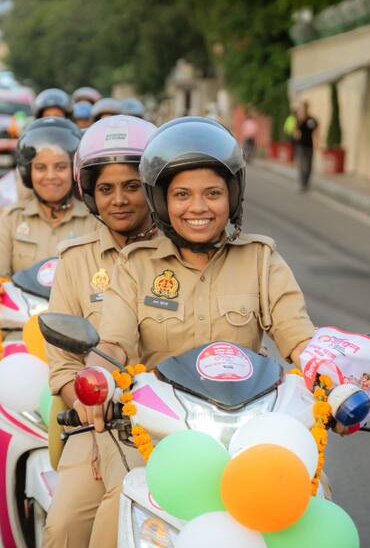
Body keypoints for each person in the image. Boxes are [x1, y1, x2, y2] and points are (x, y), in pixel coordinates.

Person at [83, 117, 317, 548]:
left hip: (251, 435)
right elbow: (113, 342)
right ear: (162, 202)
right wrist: (94, 378)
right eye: (182, 195)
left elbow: (298, 337)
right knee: (115, 513)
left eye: (213, 193)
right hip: (158, 437)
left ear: (233, 197)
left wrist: (330, 377)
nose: (198, 208)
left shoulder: (262, 260)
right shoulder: (135, 267)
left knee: (309, 502)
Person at [0, 117, 98, 494]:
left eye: (61, 167)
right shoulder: (12, 221)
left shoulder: (96, 221)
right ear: (27, 173)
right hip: (19, 330)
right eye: (41, 168)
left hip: (78, 334)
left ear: (75, 171)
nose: (51, 176)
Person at [41, 115, 159, 547]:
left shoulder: (179, 252)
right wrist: (91, 406)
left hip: (178, 426)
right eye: (106, 189)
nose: (119, 200)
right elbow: (62, 368)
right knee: (64, 528)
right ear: (89, 193)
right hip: (100, 425)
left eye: (131, 186)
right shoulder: (76, 260)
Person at [296, 102, 318, 191]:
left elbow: (316, 130)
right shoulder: (299, 120)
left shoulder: (311, 120)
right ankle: (302, 183)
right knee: (301, 165)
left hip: (309, 145)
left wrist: (317, 142)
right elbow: (295, 130)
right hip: (301, 146)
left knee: (309, 165)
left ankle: (306, 183)